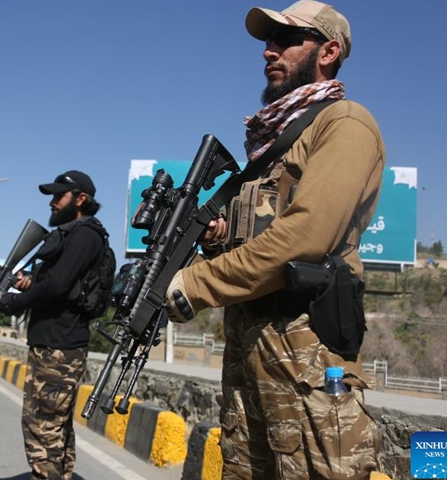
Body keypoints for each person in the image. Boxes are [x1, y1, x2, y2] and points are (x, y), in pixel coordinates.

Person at [165, 2, 384, 479]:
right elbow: (263, 238)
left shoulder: (344, 123)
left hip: (306, 364)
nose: (269, 51)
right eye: (269, 41)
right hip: (250, 360)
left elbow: (305, 237)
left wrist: (194, 283)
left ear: (328, 51)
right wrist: (220, 238)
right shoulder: (270, 146)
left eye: (286, 40)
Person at [0, 170, 109, 480]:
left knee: (42, 425)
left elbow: (58, 287)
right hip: (53, 343)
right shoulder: (73, 234)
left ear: (81, 199)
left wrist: (15, 303)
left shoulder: (86, 235)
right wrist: (26, 284)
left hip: (60, 346)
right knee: (55, 427)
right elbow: (55, 285)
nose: (53, 202)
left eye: (60, 196)